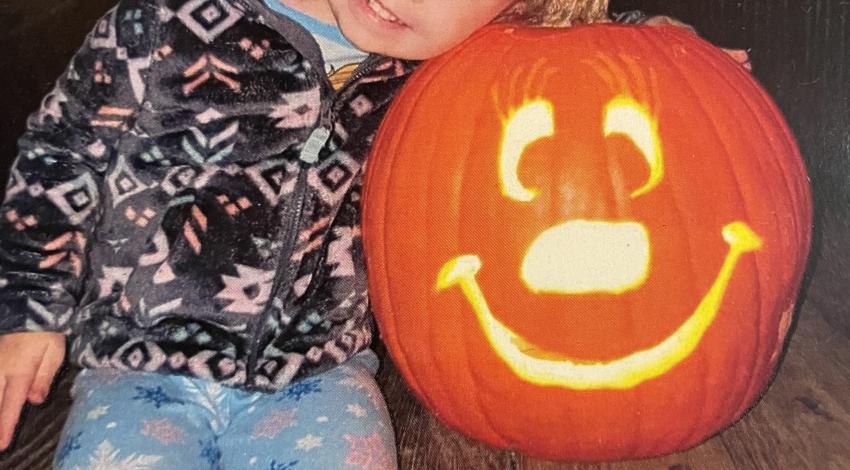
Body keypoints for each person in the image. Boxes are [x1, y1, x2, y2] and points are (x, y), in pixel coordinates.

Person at [0, 0, 746, 467]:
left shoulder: (443, 65)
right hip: (141, 361)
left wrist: (659, 47)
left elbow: (564, 52)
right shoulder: (158, 25)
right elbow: (60, 155)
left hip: (319, 373)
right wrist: (30, 309)